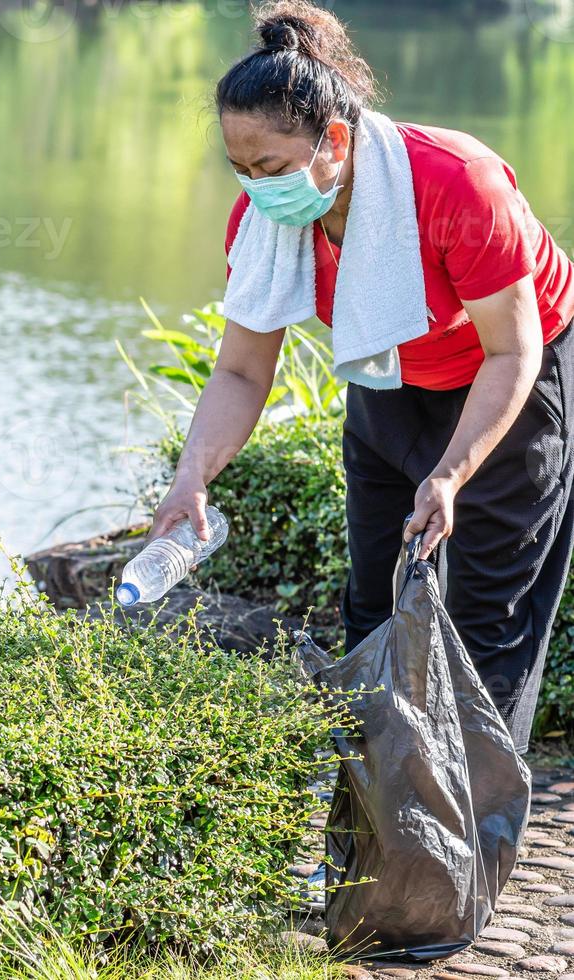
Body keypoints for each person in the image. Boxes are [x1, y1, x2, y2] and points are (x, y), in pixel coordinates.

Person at [150, 0, 574, 755]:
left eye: (271, 168)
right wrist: (191, 478)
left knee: (486, 625)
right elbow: (244, 372)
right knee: (372, 612)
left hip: (513, 376)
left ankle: (462, 855)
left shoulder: (460, 187)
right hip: (390, 376)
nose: (256, 189)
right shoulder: (264, 224)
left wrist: (450, 474)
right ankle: (370, 846)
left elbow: (513, 353)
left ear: (335, 141)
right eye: (240, 170)